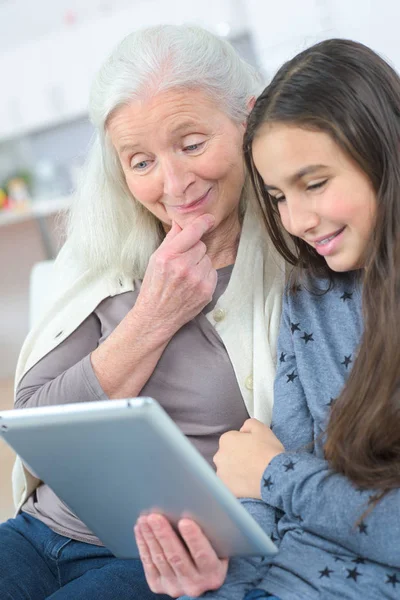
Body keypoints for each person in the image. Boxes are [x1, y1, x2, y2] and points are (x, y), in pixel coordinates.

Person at [0, 24, 286, 600]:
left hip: (169, 557)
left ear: (248, 120)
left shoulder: (298, 255)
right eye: (140, 161)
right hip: (42, 529)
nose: (174, 184)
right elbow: (34, 418)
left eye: (192, 143)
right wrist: (152, 317)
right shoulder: (105, 250)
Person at [134, 39, 400, 599]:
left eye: (316, 183)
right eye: (277, 196)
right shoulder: (314, 291)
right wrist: (220, 568)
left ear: (384, 154)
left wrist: (274, 475)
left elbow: (272, 472)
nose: (297, 220)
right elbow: (269, 479)